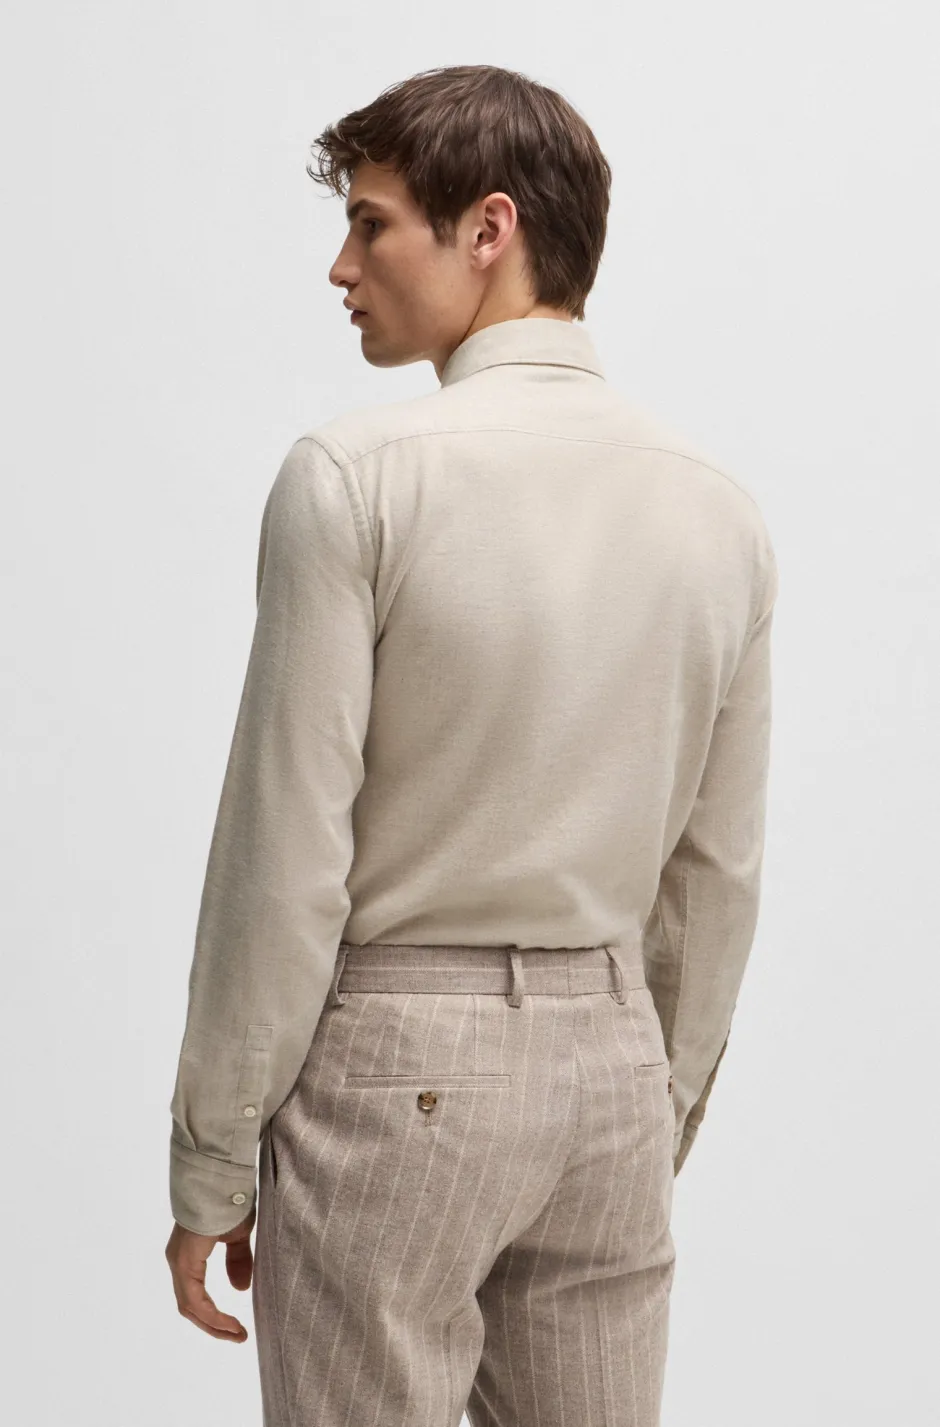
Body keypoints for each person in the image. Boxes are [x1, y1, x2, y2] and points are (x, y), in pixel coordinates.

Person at [164, 62, 777, 1427]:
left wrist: (212, 1156)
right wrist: (652, 1107)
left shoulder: (355, 480)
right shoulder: (719, 513)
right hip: (613, 1066)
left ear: (489, 228)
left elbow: (285, 856)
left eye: (370, 223)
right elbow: (716, 871)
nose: (342, 266)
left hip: (401, 1064)